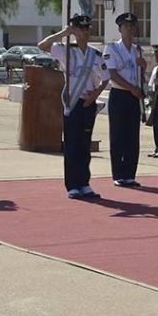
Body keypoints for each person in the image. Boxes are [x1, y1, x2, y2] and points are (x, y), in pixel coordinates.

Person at [40, 14, 109, 198]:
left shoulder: (95, 54)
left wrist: (95, 95)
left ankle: (84, 183)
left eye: (87, 29)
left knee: (84, 145)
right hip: (73, 102)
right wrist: (64, 33)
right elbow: (42, 46)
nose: (84, 32)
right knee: (72, 144)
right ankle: (72, 185)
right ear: (75, 31)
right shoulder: (66, 51)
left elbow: (106, 78)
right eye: (80, 29)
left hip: (89, 101)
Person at [103, 12, 146, 187]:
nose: (129, 29)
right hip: (120, 94)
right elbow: (112, 74)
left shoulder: (137, 50)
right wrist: (132, 88)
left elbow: (139, 75)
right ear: (120, 29)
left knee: (132, 136)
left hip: (134, 96)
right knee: (118, 135)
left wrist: (143, 68)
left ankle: (130, 174)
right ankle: (119, 174)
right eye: (126, 26)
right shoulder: (112, 48)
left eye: (131, 26)